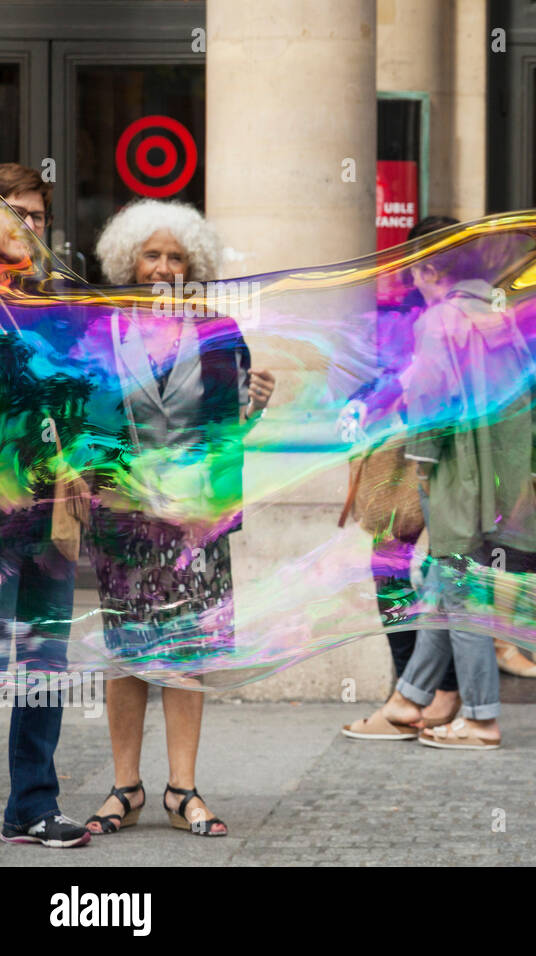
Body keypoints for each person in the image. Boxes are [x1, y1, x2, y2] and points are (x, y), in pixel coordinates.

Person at [80, 199, 275, 837]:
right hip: (123, 520)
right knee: (127, 654)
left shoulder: (218, 331)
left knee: (189, 651)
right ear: (128, 260)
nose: (164, 267)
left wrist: (255, 409)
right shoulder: (99, 330)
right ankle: (125, 787)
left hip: (195, 522)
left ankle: (182, 789)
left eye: (176, 257)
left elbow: (227, 428)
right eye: (153, 254)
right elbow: (80, 420)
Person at [343, 236, 536, 749]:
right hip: (504, 480)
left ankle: (479, 719)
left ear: (432, 271)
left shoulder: (437, 321)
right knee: (446, 585)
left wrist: (424, 464)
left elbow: (430, 402)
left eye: (416, 271)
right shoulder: (502, 317)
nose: (412, 281)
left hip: (456, 477)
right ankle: (408, 701)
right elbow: (535, 406)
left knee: (463, 595)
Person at [0, 167, 91, 848]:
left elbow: (82, 396)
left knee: (43, 659)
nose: (28, 226)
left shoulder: (55, 302)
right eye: (15, 213)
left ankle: (33, 802)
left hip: (46, 508)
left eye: (36, 215)